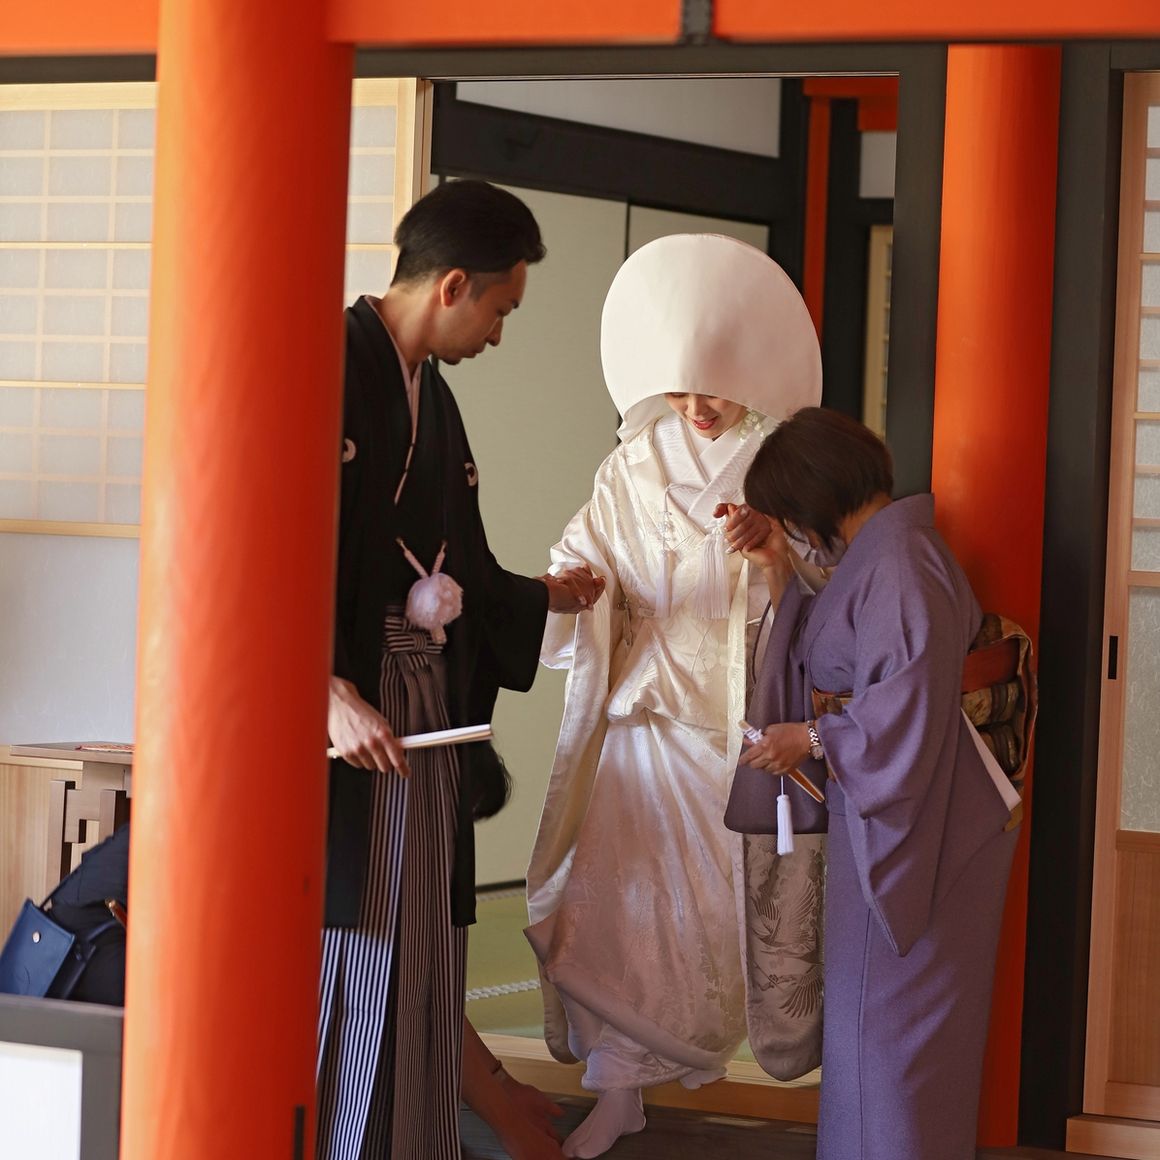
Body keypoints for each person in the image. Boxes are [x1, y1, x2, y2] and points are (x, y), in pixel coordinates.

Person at [318, 179, 603, 1160]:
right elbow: (263, 550)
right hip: (351, 711)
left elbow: (458, 565)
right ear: (451, 287)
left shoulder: (430, 397)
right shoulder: (327, 367)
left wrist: (543, 595)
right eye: (500, 308)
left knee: (422, 935)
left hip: (415, 706)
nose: (499, 333)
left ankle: (412, 1135)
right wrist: (323, 688)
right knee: (356, 934)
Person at [525, 234, 826, 1159]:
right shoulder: (634, 463)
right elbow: (585, 553)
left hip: (735, 723)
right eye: (685, 387)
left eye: (717, 388)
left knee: (706, 920)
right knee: (616, 904)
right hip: (644, 714)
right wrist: (575, 583)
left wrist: (774, 553)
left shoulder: (779, 463)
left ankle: (662, 1063)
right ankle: (618, 1086)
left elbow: (827, 579)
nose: (699, 407)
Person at [738, 407, 1020, 1160]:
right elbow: (837, 655)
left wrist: (813, 736)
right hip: (898, 809)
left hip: (925, 823)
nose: (796, 533)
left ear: (814, 501)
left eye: (791, 519)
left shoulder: (902, 563)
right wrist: (777, 569)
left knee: (896, 1047)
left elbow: (907, 705)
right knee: (877, 1038)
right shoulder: (892, 553)